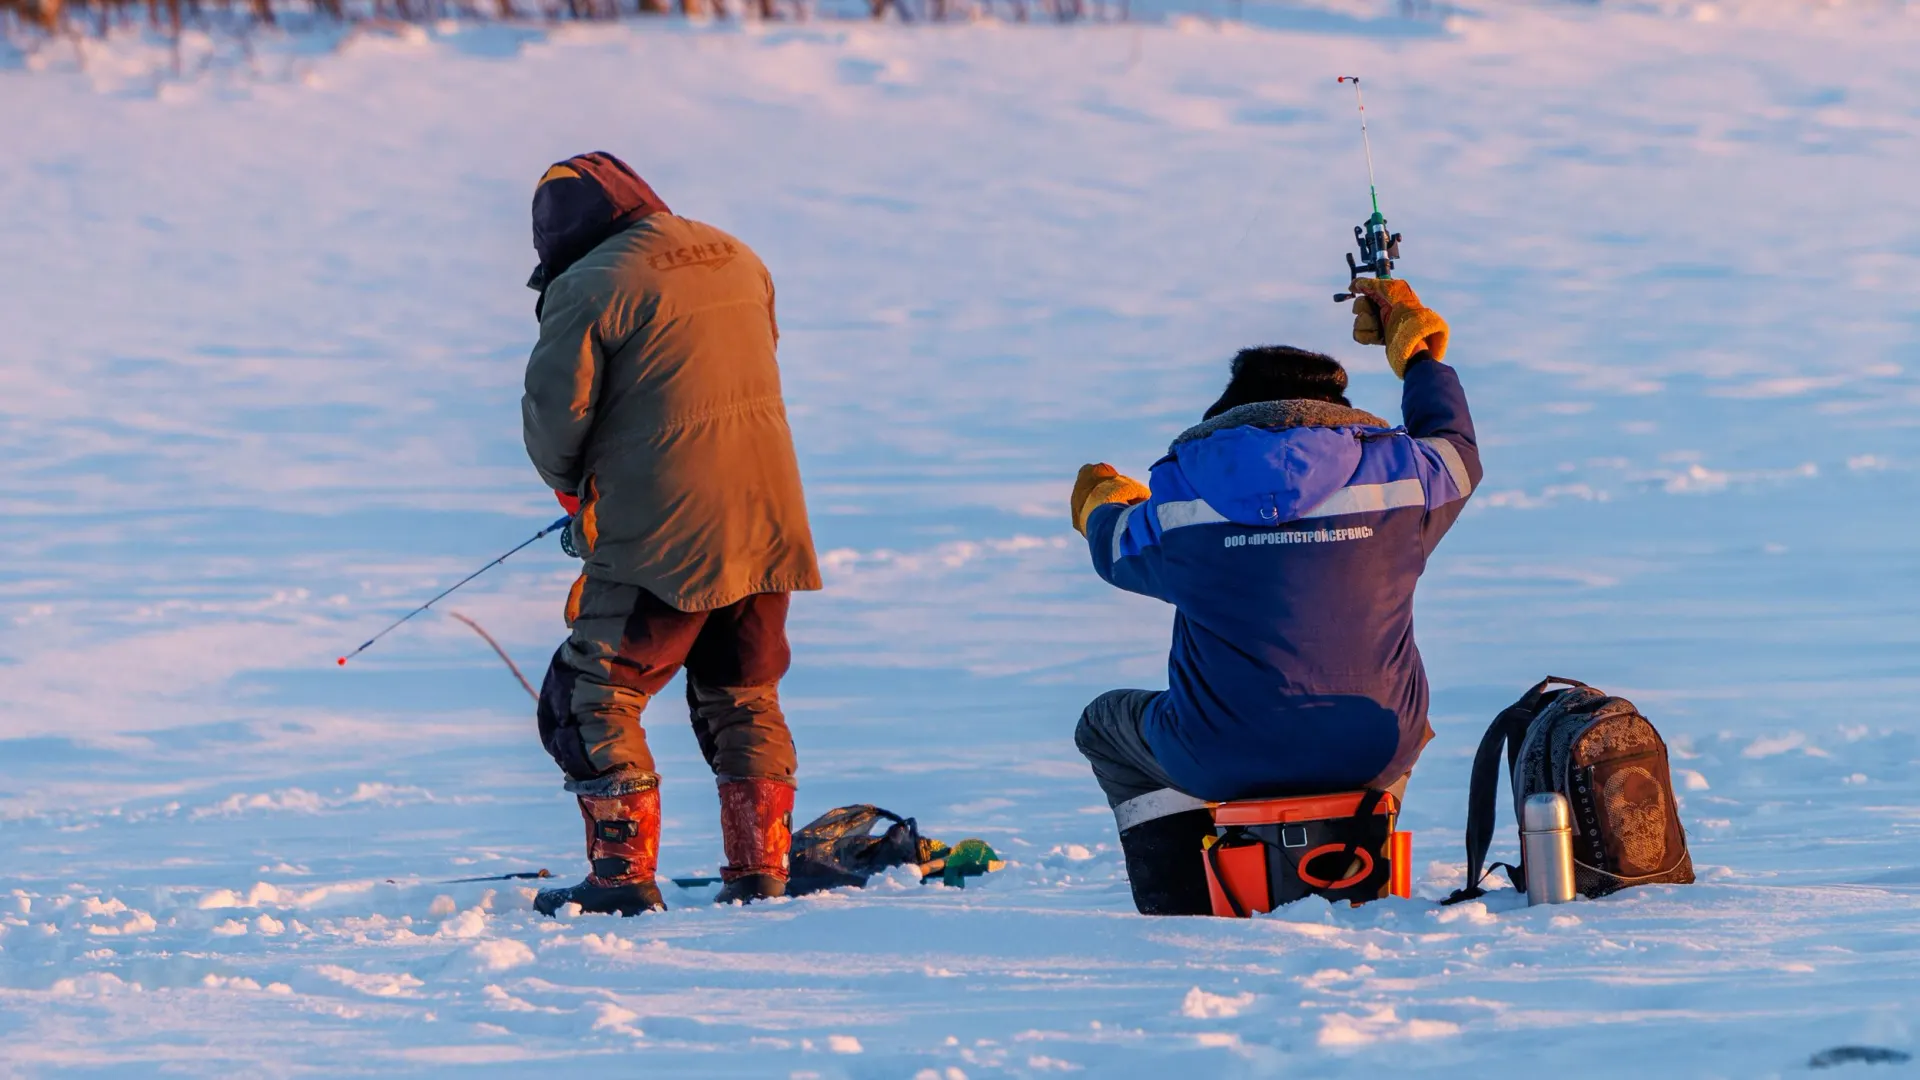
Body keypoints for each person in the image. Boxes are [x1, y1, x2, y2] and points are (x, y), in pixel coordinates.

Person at [1069, 279, 1480, 915]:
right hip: (1374, 748)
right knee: (1397, 712)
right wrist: (1419, 355)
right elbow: (1456, 453)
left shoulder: (1180, 499)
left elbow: (1115, 549)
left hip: (1220, 755)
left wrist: (1105, 503)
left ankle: (1186, 904)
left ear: (1230, 410)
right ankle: (1356, 855)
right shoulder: (1401, 480)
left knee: (1105, 723)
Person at [519, 152, 822, 916]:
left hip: (663, 528)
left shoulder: (587, 285)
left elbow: (556, 419)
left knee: (594, 692)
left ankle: (620, 881)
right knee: (742, 688)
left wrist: (573, 488)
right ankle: (761, 872)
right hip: (768, 511)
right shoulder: (736, 255)